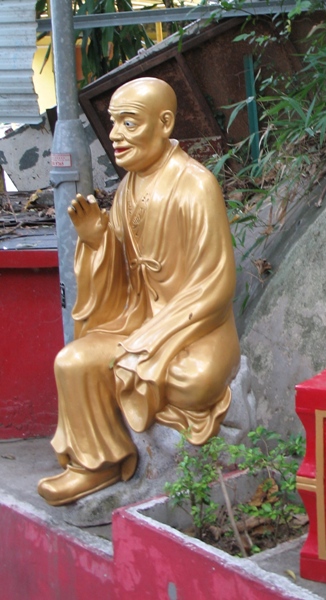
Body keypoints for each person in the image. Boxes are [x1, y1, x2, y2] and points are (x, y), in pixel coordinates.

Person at [38, 77, 240, 506]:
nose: (115, 136)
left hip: (195, 332)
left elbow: (216, 283)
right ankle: (97, 463)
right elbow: (124, 284)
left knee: (193, 381)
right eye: (113, 124)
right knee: (73, 361)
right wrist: (99, 243)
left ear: (164, 123)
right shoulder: (128, 187)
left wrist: (154, 340)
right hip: (137, 320)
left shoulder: (195, 184)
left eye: (129, 123)